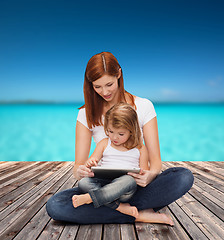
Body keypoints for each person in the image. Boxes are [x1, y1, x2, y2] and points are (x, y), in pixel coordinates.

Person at [46, 51, 194, 224]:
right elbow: (78, 166)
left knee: (183, 176)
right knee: (55, 205)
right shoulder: (85, 114)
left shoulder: (144, 106)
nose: (104, 91)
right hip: (100, 183)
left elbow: (155, 162)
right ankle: (136, 213)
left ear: (119, 74)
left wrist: (149, 175)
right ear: (90, 85)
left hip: (134, 184)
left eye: (109, 84)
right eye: (97, 86)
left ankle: (107, 207)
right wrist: (81, 170)